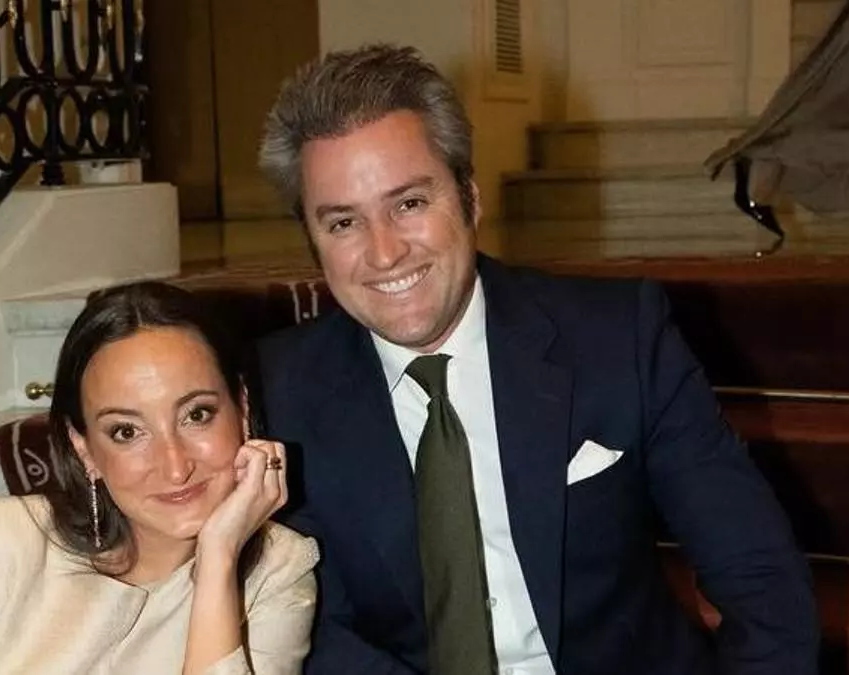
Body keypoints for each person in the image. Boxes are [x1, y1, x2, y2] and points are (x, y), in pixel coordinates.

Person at [254, 44, 818, 675]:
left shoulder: (617, 338)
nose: (385, 253)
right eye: (343, 223)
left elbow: (759, 573)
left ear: (469, 199)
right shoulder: (284, 390)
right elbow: (314, 628)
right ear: (312, 241)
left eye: (409, 203)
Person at [0, 281, 319, 674]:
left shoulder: (278, 571)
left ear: (242, 409)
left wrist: (218, 557)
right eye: (127, 432)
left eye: (197, 414)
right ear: (84, 449)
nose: (175, 466)